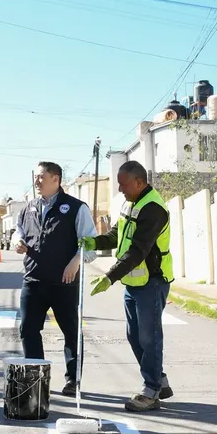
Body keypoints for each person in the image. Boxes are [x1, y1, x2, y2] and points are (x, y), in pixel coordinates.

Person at [82, 160, 173, 412]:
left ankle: (151, 392)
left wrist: (109, 276)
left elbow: (137, 251)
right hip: (133, 282)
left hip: (152, 281)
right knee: (134, 336)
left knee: (149, 337)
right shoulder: (129, 203)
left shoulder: (153, 208)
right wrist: (94, 242)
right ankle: (159, 381)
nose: (120, 189)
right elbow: (116, 235)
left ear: (139, 182)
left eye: (123, 184)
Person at [12, 161, 98, 397]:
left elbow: (91, 245)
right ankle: (36, 378)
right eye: (35, 177)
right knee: (28, 328)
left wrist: (76, 260)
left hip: (65, 283)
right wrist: (16, 242)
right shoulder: (27, 208)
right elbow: (17, 231)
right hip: (33, 280)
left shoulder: (76, 208)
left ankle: (73, 380)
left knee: (71, 331)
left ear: (56, 179)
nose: (36, 181)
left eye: (41, 177)